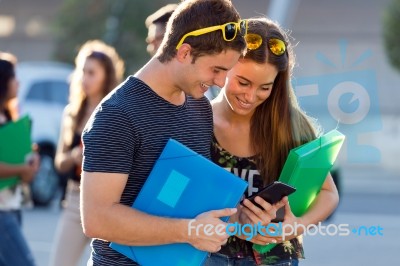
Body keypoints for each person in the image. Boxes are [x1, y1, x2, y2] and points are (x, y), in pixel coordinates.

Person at [79, 0, 273, 265]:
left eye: (226, 72)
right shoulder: (117, 114)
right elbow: (97, 219)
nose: (220, 82)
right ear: (183, 52)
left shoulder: (199, 106)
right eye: (216, 69)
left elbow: (195, 201)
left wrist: (242, 218)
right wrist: (189, 231)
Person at [205, 18, 339, 265]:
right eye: (243, 82)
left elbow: (328, 193)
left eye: (264, 88)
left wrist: (295, 227)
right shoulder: (195, 120)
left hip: (274, 258)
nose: (250, 96)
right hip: (208, 256)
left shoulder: (290, 125)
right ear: (225, 66)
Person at [49, 40, 124, 266]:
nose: (85, 78)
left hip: (108, 200)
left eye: (92, 72)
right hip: (74, 199)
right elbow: (59, 162)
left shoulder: (116, 112)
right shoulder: (72, 113)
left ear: (106, 76)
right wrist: (73, 157)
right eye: (82, 70)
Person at [0, 52, 40, 266]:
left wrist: (30, 164)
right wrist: (21, 169)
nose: (18, 82)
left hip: (12, 206)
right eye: (14, 77)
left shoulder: (8, 118)